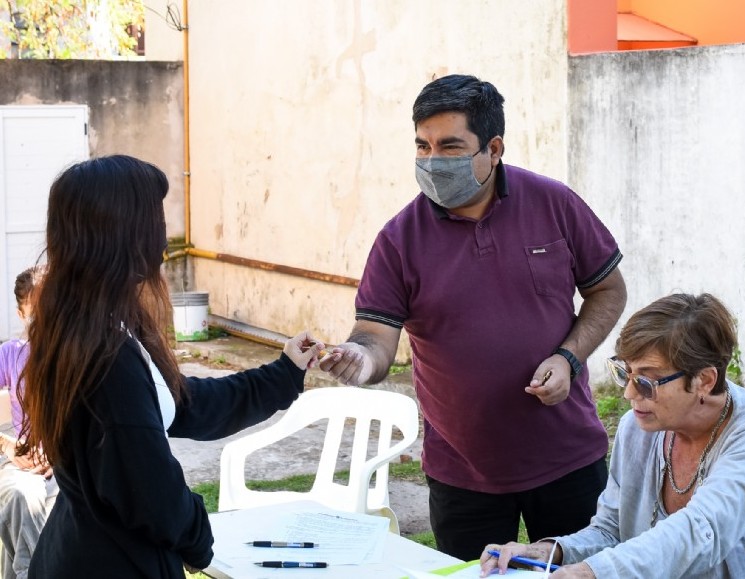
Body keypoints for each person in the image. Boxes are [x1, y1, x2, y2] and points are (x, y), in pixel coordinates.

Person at [320, 74, 627, 560]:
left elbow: (607, 290)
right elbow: (375, 338)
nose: (432, 161)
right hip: (463, 473)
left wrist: (569, 357)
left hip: (568, 457)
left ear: (494, 148)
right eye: (422, 146)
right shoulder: (400, 238)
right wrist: (358, 359)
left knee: (587, 572)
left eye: (450, 146)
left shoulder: (554, 203)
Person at [18, 155, 326, 578]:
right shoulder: (107, 356)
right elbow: (150, 491)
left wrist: (285, 371)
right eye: (156, 218)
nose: (164, 236)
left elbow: (182, 402)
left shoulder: (86, 327)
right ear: (122, 232)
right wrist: (197, 537)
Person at [480, 293, 745, 578]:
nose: (630, 393)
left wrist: (594, 572)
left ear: (704, 380)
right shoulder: (639, 428)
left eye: (647, 381)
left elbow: (703, 531)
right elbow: (611, 530)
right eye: (625, 374)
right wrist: (550, 552)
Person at [0, 267, 58, 579]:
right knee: (21, 496)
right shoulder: (10, 353)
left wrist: (59, 454)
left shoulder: (77, 353)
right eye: (37, 310)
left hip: (70, 463)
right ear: (22, 313)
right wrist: (8, 447)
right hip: (22, 463)